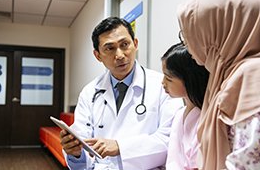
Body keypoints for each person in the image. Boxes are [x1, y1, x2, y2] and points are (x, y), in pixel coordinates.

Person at [60, 16, 182, 170]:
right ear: (98, 55)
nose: (119, 55)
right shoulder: (89, 92)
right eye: (109, 48)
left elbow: (170, 140)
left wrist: (120, 147)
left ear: (135, 44)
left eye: (125, 45)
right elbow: (83, 143)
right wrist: (75, 152)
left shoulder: (163, 86)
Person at [177, 0, 260, 169]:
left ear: (223, 31)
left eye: (193, 33)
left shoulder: (255, 74)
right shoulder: (226, 75)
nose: (187, 43)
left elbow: (251, 161)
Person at [161, 43, 209, 170]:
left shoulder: (205, 120)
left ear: (189, 79)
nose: (163, 83)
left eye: (168, 78)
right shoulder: (180, 114)